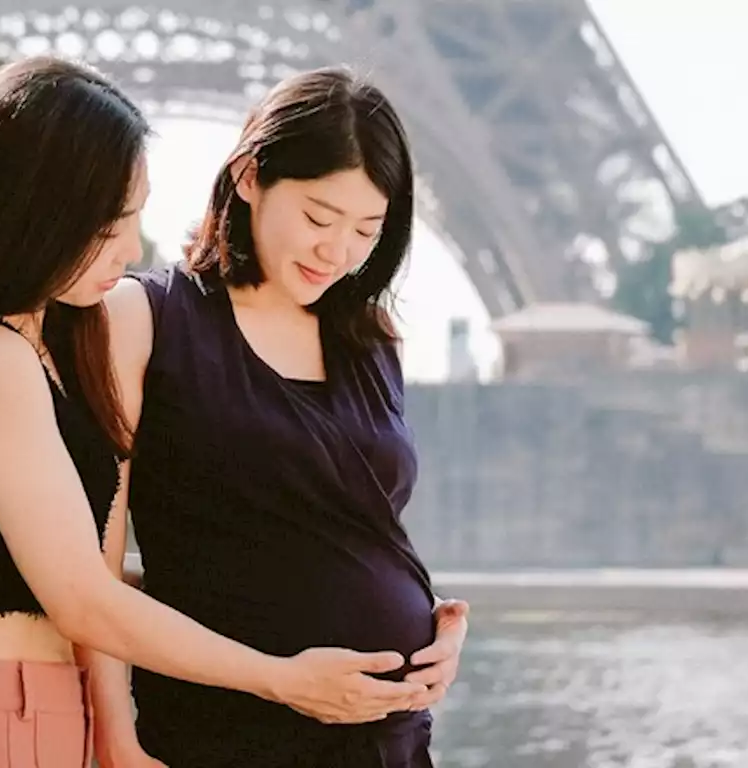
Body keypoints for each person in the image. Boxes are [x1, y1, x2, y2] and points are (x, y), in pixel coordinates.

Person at [0, 57, 433, 768]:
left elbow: (73, 568)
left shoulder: (34, 349)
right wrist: (282, 677)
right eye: (111, 225)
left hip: (34, 710)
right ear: (35, 215)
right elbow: (83, 595)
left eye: (134, 219)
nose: (133, 250)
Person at [97, 67, 472, 767]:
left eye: (368, 229)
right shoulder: (143, 318)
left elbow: (341, 532)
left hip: (386, 737)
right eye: (319, 218)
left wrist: (434, 634)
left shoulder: (372, 337)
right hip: (225, 730)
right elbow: (94, 564)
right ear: (248, 176)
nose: (339, 252)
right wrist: (117, 738)